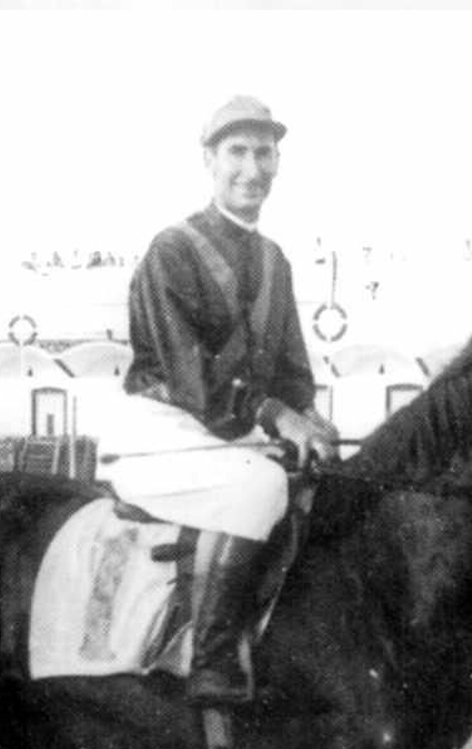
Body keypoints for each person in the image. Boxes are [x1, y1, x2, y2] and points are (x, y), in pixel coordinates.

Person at [101, 95, 337, 708]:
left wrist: (305, 415)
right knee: (261, 490)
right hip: (162, 430)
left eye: (265, 153)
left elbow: (291, 372)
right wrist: (274, 414)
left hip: (228, 437)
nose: (252, 169)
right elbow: (187, 378)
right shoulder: (172, 250)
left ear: (279, 162)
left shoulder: (274, 260)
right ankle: (207, 659)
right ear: (209, 159)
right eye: (237, 152)